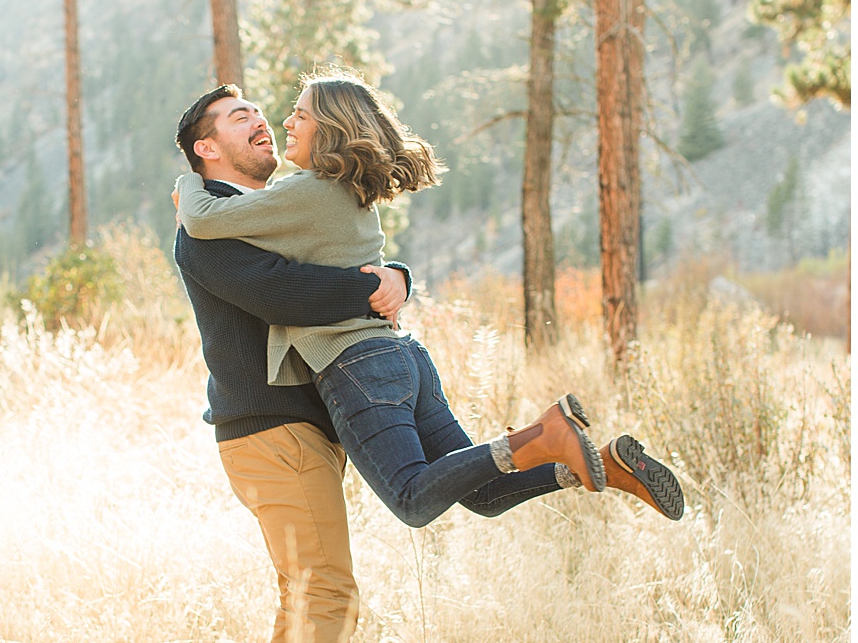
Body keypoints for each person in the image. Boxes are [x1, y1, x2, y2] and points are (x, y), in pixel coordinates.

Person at [175, 73, 685, 528]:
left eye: (299, 115)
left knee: (413, 500)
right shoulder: (342, 189)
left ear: (328, 128)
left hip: (356, 364)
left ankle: (543, 435)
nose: (284, 121)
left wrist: (185, 185)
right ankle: (601, 464)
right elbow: (335, 262)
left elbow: (206, 223)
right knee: (484, 495)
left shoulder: (305, 191)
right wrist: (393, 277)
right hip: (404, 358)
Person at [172, 85, 436, 643]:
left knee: (303, 599)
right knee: (327, 592)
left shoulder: (270, 210)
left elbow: (332, 244)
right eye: (236, 117)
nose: (258, 120)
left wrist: (397, 275)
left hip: (294, 431)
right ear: (206, 148)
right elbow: (293, 296)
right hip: (270, 431)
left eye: (259, 110)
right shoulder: (208, 232)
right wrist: (377, 285)